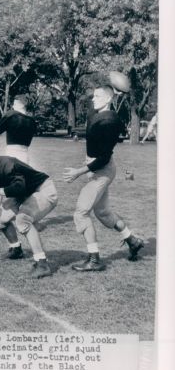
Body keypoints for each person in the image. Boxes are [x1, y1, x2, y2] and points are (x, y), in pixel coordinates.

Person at [63, 85, 145, 271]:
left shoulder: (110, 122)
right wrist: (112, 89)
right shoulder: (99, 114)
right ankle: (132, 240)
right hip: (97, 169)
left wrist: (78, 171)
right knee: (103, 213)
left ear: (107, 100)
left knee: (81, 212)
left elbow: (104, 158)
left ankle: (94, 260)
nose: (93, 99)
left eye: (97, 96)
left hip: (103, 170)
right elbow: (92, 124)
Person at [0, 145, 57, 279]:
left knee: (23, 219)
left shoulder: (9, 165)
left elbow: (19, 187)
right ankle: (16, 249)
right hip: (25, 193)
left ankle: (42, 264)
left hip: (43, 189)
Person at [0, 95, 37, 234]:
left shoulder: (11, 115)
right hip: (25, 155)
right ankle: (22, 219)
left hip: (11, 154)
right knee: (17, 192)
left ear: (16, 103)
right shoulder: (31, 120)